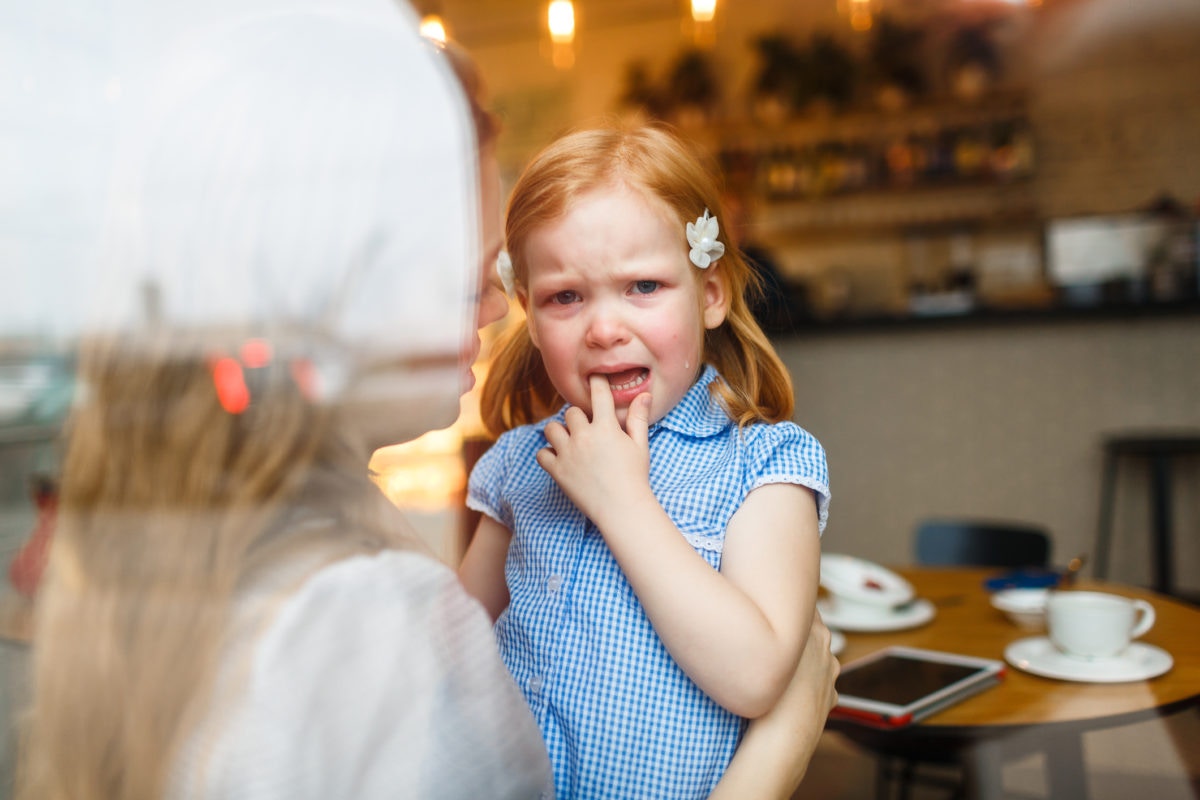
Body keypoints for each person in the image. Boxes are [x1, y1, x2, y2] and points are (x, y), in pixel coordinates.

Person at [16, 3, 838, 799]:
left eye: (643, 286)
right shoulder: (381, 597)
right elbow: (467, 645)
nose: (492, 314)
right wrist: (784, 747)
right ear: (348, 283)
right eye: (517, 286)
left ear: (711, 293)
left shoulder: (273, 549)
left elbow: (460, 663)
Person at [458, 124, 831, 798]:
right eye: (565, 297)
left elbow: (756, 677)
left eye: (643, 287)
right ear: (530, 316)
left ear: (710, 295)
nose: (604, 328)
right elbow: (448, 650)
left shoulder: (765, 468)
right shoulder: (519, 461)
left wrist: (623, 503)